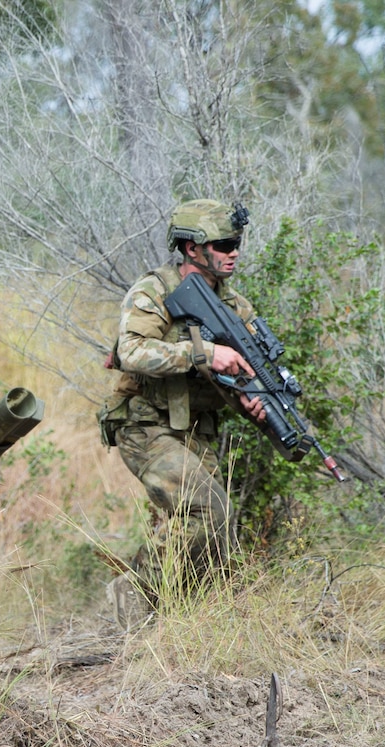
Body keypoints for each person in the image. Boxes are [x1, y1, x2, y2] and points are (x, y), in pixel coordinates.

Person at [99, 199, 266, 627]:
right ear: (192, 248)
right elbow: (132, 351)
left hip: (197, 430)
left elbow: (241, 376)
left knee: (211, 535)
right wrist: (205, 353)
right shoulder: (155, 290)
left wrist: (253, 397)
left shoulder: (237, 307)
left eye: (237, 243)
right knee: (208, 509)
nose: (234, 252)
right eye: (224, 243)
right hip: (145, 425)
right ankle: (132, 595)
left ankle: (173, 623)